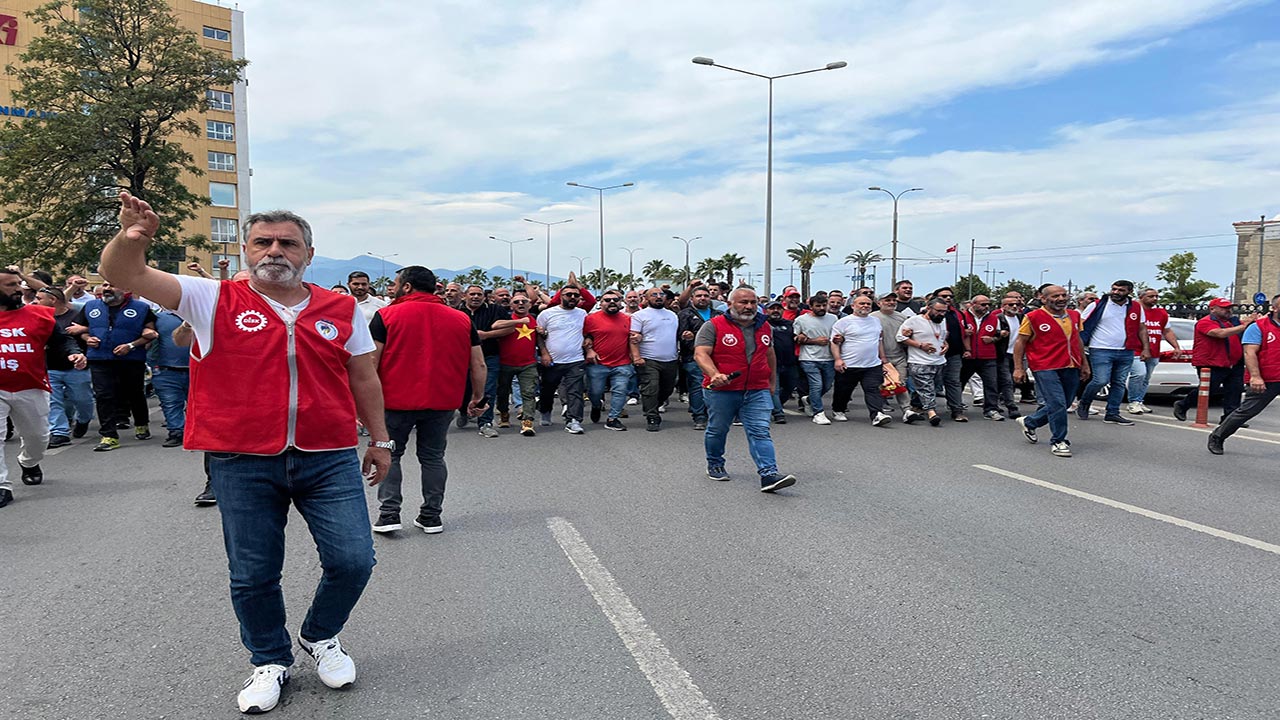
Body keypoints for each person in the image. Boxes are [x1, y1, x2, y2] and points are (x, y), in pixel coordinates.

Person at [100, 192, 392, 714]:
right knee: (254, 572)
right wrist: (134, 237)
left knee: (354, 560)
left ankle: (320, 636)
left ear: (308, 252)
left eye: (288, 243)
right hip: (241, 458)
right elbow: (128, 275)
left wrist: (381, 439)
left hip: (326, 454)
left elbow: (364, 376)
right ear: (245, 249)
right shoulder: (209, 298)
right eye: (263, 241)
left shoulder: (342, 308)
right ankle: (269, 659)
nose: (275, 250)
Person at [370, 266, 484, 534]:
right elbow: (477, 364)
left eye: (397, 283)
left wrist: (362, 404)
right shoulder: (462, 319)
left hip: (395, 401)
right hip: (443, 401)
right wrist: (477, 397)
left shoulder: (385, 316)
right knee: (433, 457)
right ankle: (431, 516)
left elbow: (370, 362)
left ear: (407, 286)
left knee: (392, 454)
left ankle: (389, 515)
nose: (394, 287)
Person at [695, 287, 796, 493]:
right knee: (718, 429)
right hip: (722, 389)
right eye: (743, 302)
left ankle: (768, 474)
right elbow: (700, 354)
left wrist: (771, 382)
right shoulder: (712, 326)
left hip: (756, 388)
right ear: (730, 304)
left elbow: (770, 354)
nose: (749, 306)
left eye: (753, 302)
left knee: (760, 431)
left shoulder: (764, 326)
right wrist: (714, 374)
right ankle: (715, 463)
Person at [0, 269, 83, 508]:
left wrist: (74, 353)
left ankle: (28, 461)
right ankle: (2, 486)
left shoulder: (39, 315)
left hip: (31, 386)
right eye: (10, 285)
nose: (18, 289)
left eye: (18, 284)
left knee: (38, 437)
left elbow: (62, 341)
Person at [67, 279, 158, 451]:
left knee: (134, 393)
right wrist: (88, 339)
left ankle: (141, 423)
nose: (107, 289)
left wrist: (130, 345)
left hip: (131, 359)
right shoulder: (91, 306)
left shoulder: (142, 308)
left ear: (126, 289)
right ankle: (109, 435)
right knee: (103, 395)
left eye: (112, 285)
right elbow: (80, 329)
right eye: (105, 285)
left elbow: (150, 333)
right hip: (99, 358)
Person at [1013, 286, 1091, 458]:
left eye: (1064, 295)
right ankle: (1059, 440)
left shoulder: (1075, 315)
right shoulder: (1033, 317)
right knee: (1057, 403)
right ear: (1044, 299)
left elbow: (1077, 340)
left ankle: (1030, 422)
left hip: (1071, 364)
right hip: (1044, 365)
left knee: (1066, 402)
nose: (1061, 298)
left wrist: (1084, 364)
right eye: (1056, 296)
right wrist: (1018, 368)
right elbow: (1020, 342)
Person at [1209, 295, 1280, 454]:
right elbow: (1249, 353)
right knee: (1247, 411)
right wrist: (1255, 376)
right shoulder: (1258, 327)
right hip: (1266, 378)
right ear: (1274, 308)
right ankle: (1218, 436)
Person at [1173, 298, 1255, 424]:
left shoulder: (1232, 322)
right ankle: (1183, 405)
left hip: (1233, 362)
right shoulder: (1205, 322)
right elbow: (1219, 333)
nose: (1228, 310)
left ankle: (1230, 418)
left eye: (1229, 308)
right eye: (1224, 308)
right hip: (1211, 363)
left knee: (1235, 390)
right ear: (1212, 309)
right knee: (1208, 389)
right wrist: (1243, 326)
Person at [1076, 280, 1147, 425]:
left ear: (1129, 292)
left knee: (1119, 383)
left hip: (1126, 350)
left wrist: (1146, 348)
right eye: (1114, 289)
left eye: (1121, 290)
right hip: (1100, 349)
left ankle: (1112, 413)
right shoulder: (1098, 305)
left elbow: (1142, 328)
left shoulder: (1135, 307)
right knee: (1100, 380)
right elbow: (1081, 324)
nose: (1116, 292)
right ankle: (1084, 402)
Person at [34, 287, 94, 447]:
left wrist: (84, 330)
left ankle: (83, 419)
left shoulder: (77, 315)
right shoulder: (38, 319)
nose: (35, 302)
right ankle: (59, 432)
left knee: (83, 400)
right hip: (49, 368)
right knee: (53, 402)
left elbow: (97, 330)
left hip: (77, 367)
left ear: (52, 300)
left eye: (39, 298)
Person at [830, 295, 892, 426]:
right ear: (853, 306)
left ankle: (877, 414)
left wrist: (883, 359)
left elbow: (879, 341)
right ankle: (838, 410)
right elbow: (834, 343)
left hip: (872, 364)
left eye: (868, 304)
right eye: (861, 303)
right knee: (844, 391)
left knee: (873, 389)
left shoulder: (875, 321)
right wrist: (837, 359)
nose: (865, 306)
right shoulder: (843, 322)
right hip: (850, 364)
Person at [537, 283, 587, 434]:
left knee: (575, 392)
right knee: (548, 390)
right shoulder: (547, 314)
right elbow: (538, 335)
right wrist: (544, 353)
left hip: (576, 360)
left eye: (576, 295)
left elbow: (589, 332)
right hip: (552, 360)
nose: (572, 297)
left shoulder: (582, 313)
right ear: (560, 296)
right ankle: (545, 411)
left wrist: (588, 341)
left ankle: (574, 420)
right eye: (568, 294)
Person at [582, 289, 635, 431]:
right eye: (607, 300)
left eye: (615, 299)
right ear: (601, 303)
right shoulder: (590, 319)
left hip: (622, 363)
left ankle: (613, 418)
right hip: (597, 364)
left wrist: (638, 338)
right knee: (595, 392)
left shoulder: (628, 319)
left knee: (620, 391)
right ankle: (596, 405)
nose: (612, 302)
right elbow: (584, 337)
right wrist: (589, 350)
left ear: (621, 302)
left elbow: (635, 336)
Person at [630, 287, 680, 432]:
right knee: (651, 388)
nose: (658, 297)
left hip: (670, 359)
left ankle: (652, 405)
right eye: (654, 295)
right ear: (645, 298)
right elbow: (633, 338)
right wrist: (636, 357)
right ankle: (652, 416)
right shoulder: (639, 316)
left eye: (661, 294)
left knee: (667, 389)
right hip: (649, 359)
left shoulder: (672, 315)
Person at [1127, 288, 1183, 414]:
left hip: (1154, 350)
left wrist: (1176, 347)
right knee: (1139, 374)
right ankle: (1133, 401)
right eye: (1151, 296)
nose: (1155, 299)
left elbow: (1167, 331)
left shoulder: (1161, 313)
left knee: (1146, 377)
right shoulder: (1133, 310)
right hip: (1136, 349)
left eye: (1157, 296)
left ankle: (1140, 401)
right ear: (1141, 297)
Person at [459, 284, 505, 437]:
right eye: (472, 294)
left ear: (484, 297)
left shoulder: (495, 310)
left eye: (479, 294)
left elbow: (510, 329)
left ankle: (485, 423)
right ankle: (464, 411)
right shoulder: (456, 312)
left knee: (487, 390)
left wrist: (486, 335)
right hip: (461, 359)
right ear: (465, 296)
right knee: (463, 391)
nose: (476, 297)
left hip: (489, 357)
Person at [493, 291, 541, 436]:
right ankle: (504, 414)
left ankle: (527, 423)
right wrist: (518, 322)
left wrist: (544, 352)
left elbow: (539, 340)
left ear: (529, 304)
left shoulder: (534, 319)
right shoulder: (506, 318)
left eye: (524, 301)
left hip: (528, 364)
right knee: (502, 393)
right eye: (516, 302)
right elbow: (495, 326)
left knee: (529, 393)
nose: (520, 304)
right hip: (505, 363)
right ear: (511, 305)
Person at [897, 298, 950, 425]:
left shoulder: (942, 321)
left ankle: (916, 405)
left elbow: (941, 336)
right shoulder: (913, 321)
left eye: (944, 312)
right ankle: (931, 412)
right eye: (938, 311)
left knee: (930, 387)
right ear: (928, 307)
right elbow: (900, 337)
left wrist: (946, 345)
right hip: (919, 361)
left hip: (939, 361)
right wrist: (920, 345)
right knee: (926, 388)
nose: (941, 314)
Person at [677, 286, 720, 430]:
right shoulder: (685, 314)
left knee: (716, 385)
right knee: (698, 386)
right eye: (699, 296)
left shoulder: (718, 314)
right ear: (692, 299)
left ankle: (714, 414)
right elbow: (683, 336)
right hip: (693, 357)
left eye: (706, 296)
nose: (703, 298)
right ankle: (699, 416)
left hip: (717, 357)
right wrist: (698, 348)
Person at [149, 305, 191, 447]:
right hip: (166, 369)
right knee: (171, 403)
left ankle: (197, 432)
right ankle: (176, 432)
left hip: (198, 370)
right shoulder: (157, 318)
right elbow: (148, 340)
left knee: (197, 404)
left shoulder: (200, 314)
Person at [794, 292, 837, 424]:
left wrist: (839, 339)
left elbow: (838, 335)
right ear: (811, 306)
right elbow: (796, 338)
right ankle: (818, 413)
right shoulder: (801, 320)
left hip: (829, 357)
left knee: (827, 385)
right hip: (809, 358)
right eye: (818, 306)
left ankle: (809, 400)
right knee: (816, 385)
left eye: (824, 305)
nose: (822, 308)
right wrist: (813, 341)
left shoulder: (833, 318)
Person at [961, 295, 1006, 420]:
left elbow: (998, 335)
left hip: (988, 356)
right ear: (973, 304)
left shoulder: (993, 318)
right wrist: (963, 334)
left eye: (988, 304)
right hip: (967, 357)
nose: (986, 307)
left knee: (991, 383)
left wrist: (993, 339)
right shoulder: (963, 316)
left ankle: (991, 409)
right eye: (983, 304)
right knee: (960, 382)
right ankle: (955, 406)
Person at [874, 293, 912, 417]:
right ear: (879, 303)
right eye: (887, 300)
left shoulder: (903, 318)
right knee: (881, 385)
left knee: (900, 383)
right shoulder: (872, 318)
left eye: (893, 300)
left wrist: (909, 333)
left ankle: (907, 410)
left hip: (899, 357)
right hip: (878, 358)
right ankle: (878, 410)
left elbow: (909, 336)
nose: (891, 302)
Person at [765, 300, 798, 423]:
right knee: (775, 388)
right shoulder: (763, 324)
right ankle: (778, 413)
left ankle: (777, 404)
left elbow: (797, 336)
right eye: (772, 308)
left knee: (790, 387)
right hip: (771, 363)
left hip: (789, 362)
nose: (775, 311)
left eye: (778, 308)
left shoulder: (790, 324)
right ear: (766, 310)